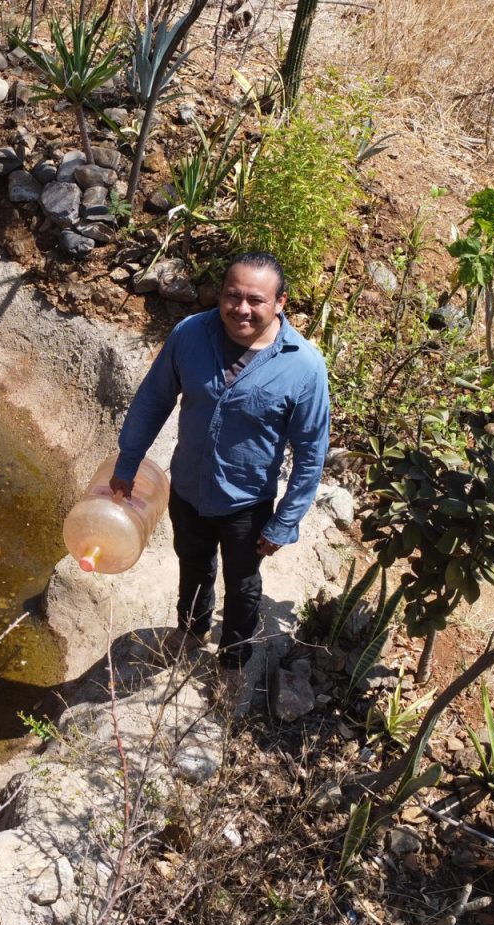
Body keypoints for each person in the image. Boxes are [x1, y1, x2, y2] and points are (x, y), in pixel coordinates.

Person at [109, 251, 330, 686]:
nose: (241, 309)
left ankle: (232, 662)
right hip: (188, 489)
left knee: (243, 584)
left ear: (280, 303)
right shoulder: (190, 334)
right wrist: (128, 461)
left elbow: (310, 453)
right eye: (233, 295)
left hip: (246, 505)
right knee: (192, 565)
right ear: (221, 294)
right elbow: (154, 398)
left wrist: (285, 521)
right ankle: (191, 631)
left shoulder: (303, 366)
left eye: (255, 300)